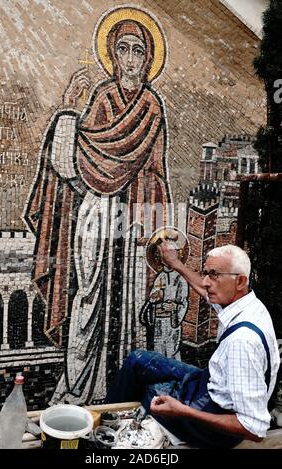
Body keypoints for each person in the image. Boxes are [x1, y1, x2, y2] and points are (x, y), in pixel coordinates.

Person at [23, 8, 172, 404]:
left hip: (132, 220)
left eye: (138, 50)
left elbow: (156, 172)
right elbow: (72, 163)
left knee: (131, 305)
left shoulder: (152, 109)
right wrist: (69, 110)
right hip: (97, 212)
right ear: (112, 54)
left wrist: (155, 233)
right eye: (122, 49)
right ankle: (81, 386)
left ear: (147, 57)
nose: (130, 58)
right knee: (89, 297)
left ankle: (123, 389)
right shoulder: (103, 98)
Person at [105, 243, 280, 448]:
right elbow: (204, 290)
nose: (206, 282)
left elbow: (254, 428)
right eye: (206, 273)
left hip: (217, 425)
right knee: (138, 361)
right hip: (213, 383)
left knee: (152, 395)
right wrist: (176, 264)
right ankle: (105, 421)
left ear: (240, 281)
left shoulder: (241, 342)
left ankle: (112, 440)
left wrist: (182, 411)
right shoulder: (246, 303)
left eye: (213, 275)